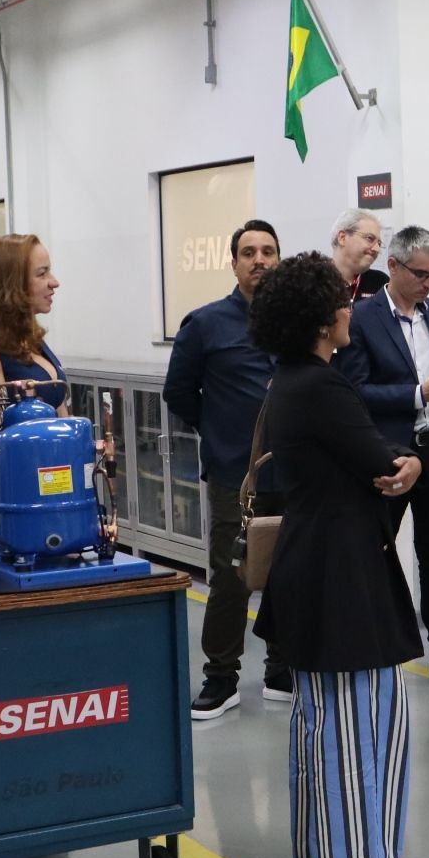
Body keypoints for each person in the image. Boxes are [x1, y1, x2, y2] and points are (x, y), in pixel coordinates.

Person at [251, 251, 423, 858]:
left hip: (312, 565)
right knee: (360, 723)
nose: (352, 310)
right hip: (342, 574)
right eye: (343, 303)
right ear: (324, 320)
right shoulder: (323, 387)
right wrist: (414, 465)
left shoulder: (288, 380)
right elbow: (380, 464)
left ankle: (322, 854)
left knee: (321, 722)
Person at [162, 219, 293, 719]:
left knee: (287, 571)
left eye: (268, 251)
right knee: (232, 575)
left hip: (295, 471)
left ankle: (282, 667)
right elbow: (179, 394)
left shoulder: (295, 322)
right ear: (233, 262)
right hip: (235, 477)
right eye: (249, 252)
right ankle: (221, 677)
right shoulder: (206, 323)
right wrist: (219, 433)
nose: (259, 260)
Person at [338, 226, 429, 689]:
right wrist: (420, 392)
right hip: (390, 452)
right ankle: (370, 645)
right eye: (420, 273)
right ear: (391, 267)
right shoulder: (361, 318)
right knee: (376, 550)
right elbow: (355, 391)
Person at [0, 234, 70, 409]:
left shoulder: (29, 336)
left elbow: (61, 414)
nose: (54, 282)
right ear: (11, 283)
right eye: (42, 274)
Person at [330, 209, 389, 300]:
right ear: (342, 238)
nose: (377, 249)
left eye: (379, 243)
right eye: (370, 238)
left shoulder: (381, 283)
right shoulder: (312, 281)